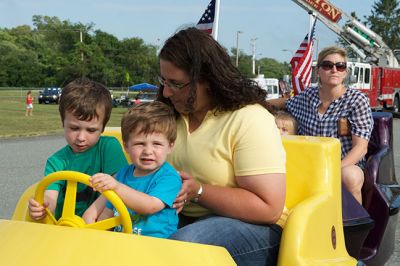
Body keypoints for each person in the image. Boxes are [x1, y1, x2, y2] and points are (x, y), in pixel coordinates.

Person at [157, 27, 287, 266]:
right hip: (180, 219)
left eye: (175, 83)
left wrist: (198, 191)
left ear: (207, 80)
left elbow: (268, 208)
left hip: (256, 228)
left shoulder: (249, 119)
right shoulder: (169, 116)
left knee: (182, 247)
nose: (166, 92)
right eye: (163, 80)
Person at [276, 46, 373, 204]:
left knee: (351, 177)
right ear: (318, 71)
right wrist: (256, 103)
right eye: (328, 65)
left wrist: (332, 169)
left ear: (345, 72)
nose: (334, 70)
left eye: (340, 66)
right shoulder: (307, 97)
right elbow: (284, 103)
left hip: (345, 163)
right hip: (308, 162)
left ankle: (353, 226)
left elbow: (360, 148)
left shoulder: (357, 100)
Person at [28, 77, 128, 220]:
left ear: (102, 128)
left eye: (91, 130)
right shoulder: (56, 161)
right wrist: (41, 208)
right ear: (63, 122)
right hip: (66, 227)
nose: (81, 137)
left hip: (102, 227)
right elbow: (50, 196)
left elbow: (120, 183)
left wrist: (91, 214)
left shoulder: (108, 147)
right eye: (74, 128)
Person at [85, 101, 182, 238]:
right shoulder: (123, 173)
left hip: (157, 244)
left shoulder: (169, 177)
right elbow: (108, 212)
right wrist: (99, 235)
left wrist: (117, 187)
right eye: (140, 144)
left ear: (170, 146)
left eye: (157, 144)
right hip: (122, 241)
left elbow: (150, 206)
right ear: (126, 146)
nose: (148, 151)